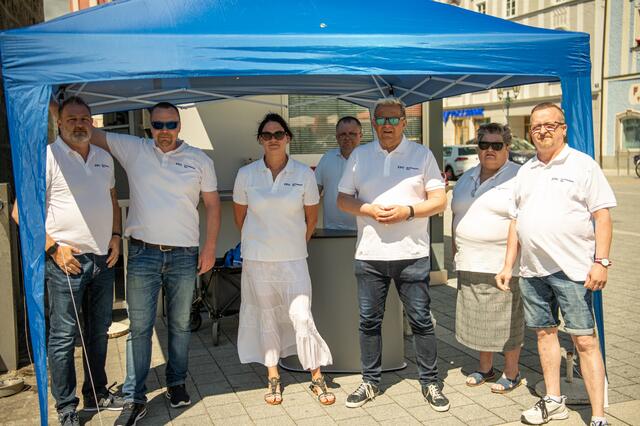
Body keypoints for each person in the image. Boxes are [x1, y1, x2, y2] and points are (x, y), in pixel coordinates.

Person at [87, 102, 221, 426]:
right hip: (143, 254)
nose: (165, 131)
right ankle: (134, 398)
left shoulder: (200, 160)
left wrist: (210, 248)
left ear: (179, 125)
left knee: (179, 326)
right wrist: (55, 102)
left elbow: (213, 206)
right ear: (150, 126)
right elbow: (88, 132)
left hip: (184, 255)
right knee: (140, 329)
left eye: (171, 124)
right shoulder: (135, 148)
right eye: (158, 125)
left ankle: (176, 384)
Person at [496, 103, 616, 426]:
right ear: (530, 132)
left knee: (585, 341)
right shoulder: (526, 171)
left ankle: (599, 416)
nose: (543, 131)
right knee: (545, 335)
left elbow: (602, 215)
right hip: (533, 271)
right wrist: (509, 265)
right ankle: (553, 400)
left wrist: (601, 261)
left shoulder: (583, 165)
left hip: (574, 270)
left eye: (550, 125)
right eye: (536, 127)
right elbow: (514, 222)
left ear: (563, 128)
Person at [13, 96, 123, 426]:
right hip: (66, 262)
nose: (79, 124)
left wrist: (116, 235)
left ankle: (97, 392)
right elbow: (22, 212)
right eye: (72, 118)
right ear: (58, 123)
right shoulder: (45, 158)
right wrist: (53, 249)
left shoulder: (104, 158)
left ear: (92, 122)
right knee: (63, 337)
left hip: (102, 259)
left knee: (98, 331)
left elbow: (112, 199)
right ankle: (66, 407)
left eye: (85, 118)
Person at [337, 97, 450, 412]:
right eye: (381, 120)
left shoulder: (421, 154)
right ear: (374, 123)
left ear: (404, 122)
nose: (387, 126)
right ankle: (370, 381)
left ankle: (430, 383)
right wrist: (369, 209)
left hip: (412, 254)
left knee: (421, 322)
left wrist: (408, 211)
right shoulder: (360, 155)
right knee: (368, 322)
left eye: (393, 120)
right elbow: (343, 199)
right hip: (370, 254)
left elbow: (439, 200)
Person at [233, 113, 334, 406]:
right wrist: (263, 243)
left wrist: (290, 244)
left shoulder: (304, 174)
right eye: (267, 135)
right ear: (260, 140)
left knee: (302, 316)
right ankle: (273, 377)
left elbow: (311, 219)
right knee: (267, 318)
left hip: (293, 260)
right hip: (258, 261)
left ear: (288, 138)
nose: (273, 139)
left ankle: (316, 377)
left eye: (279, 134)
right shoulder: (246, 175)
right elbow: (241, 218)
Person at [451, 123, 524, 393]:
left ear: (507, 147)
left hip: (504, 264)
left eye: (496, 145)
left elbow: (520, 222)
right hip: (470, 261)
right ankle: (485, 368)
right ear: (478, 148)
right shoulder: (466, 176)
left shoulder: (520, 177)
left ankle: (512, 372)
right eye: (484, 145)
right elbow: (456, 213)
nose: (489, 150)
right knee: (480, 319)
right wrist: (454, 248)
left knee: (508, 321)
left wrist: (509, 262)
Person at [314, 116, 362, 230]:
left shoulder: (370, 159)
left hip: (362, 230)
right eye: (343, 134)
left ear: (360, 135)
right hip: (331, 229)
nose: (347, 137)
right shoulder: (327, 158)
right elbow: (314, 191)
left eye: (352, 133)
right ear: (337, 137)